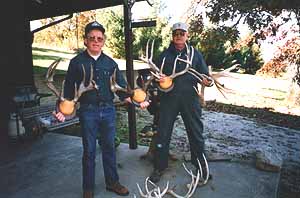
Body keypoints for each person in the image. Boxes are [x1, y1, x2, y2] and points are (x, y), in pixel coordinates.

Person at [54, 21, 149, 198]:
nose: (96, 41)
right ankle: (88, 188)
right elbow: (67, 90)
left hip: (108, 111)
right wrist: (61, 110)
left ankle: (112, 182)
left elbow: (122, 89)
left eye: (99, 38)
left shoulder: (110, 63)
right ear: (85, 41)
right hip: (87, 111)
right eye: (92, 38)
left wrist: (138, 102)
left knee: (109, 148)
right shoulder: (76, 63)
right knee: (89, 151)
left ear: (103, 41)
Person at [149, 22, 213, 183]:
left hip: (190, 99)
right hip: (168, 99)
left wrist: (208, 82)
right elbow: (155, 78)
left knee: (196, 132)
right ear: (172, 36)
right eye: (176, 33)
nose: (179, 36)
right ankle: (159, 167)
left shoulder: (195, 54)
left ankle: (200, 165)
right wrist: (160, 81)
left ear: (187, 35)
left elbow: (206, 76)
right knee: (163, 133)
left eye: (182, 33)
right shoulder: (164, 56)